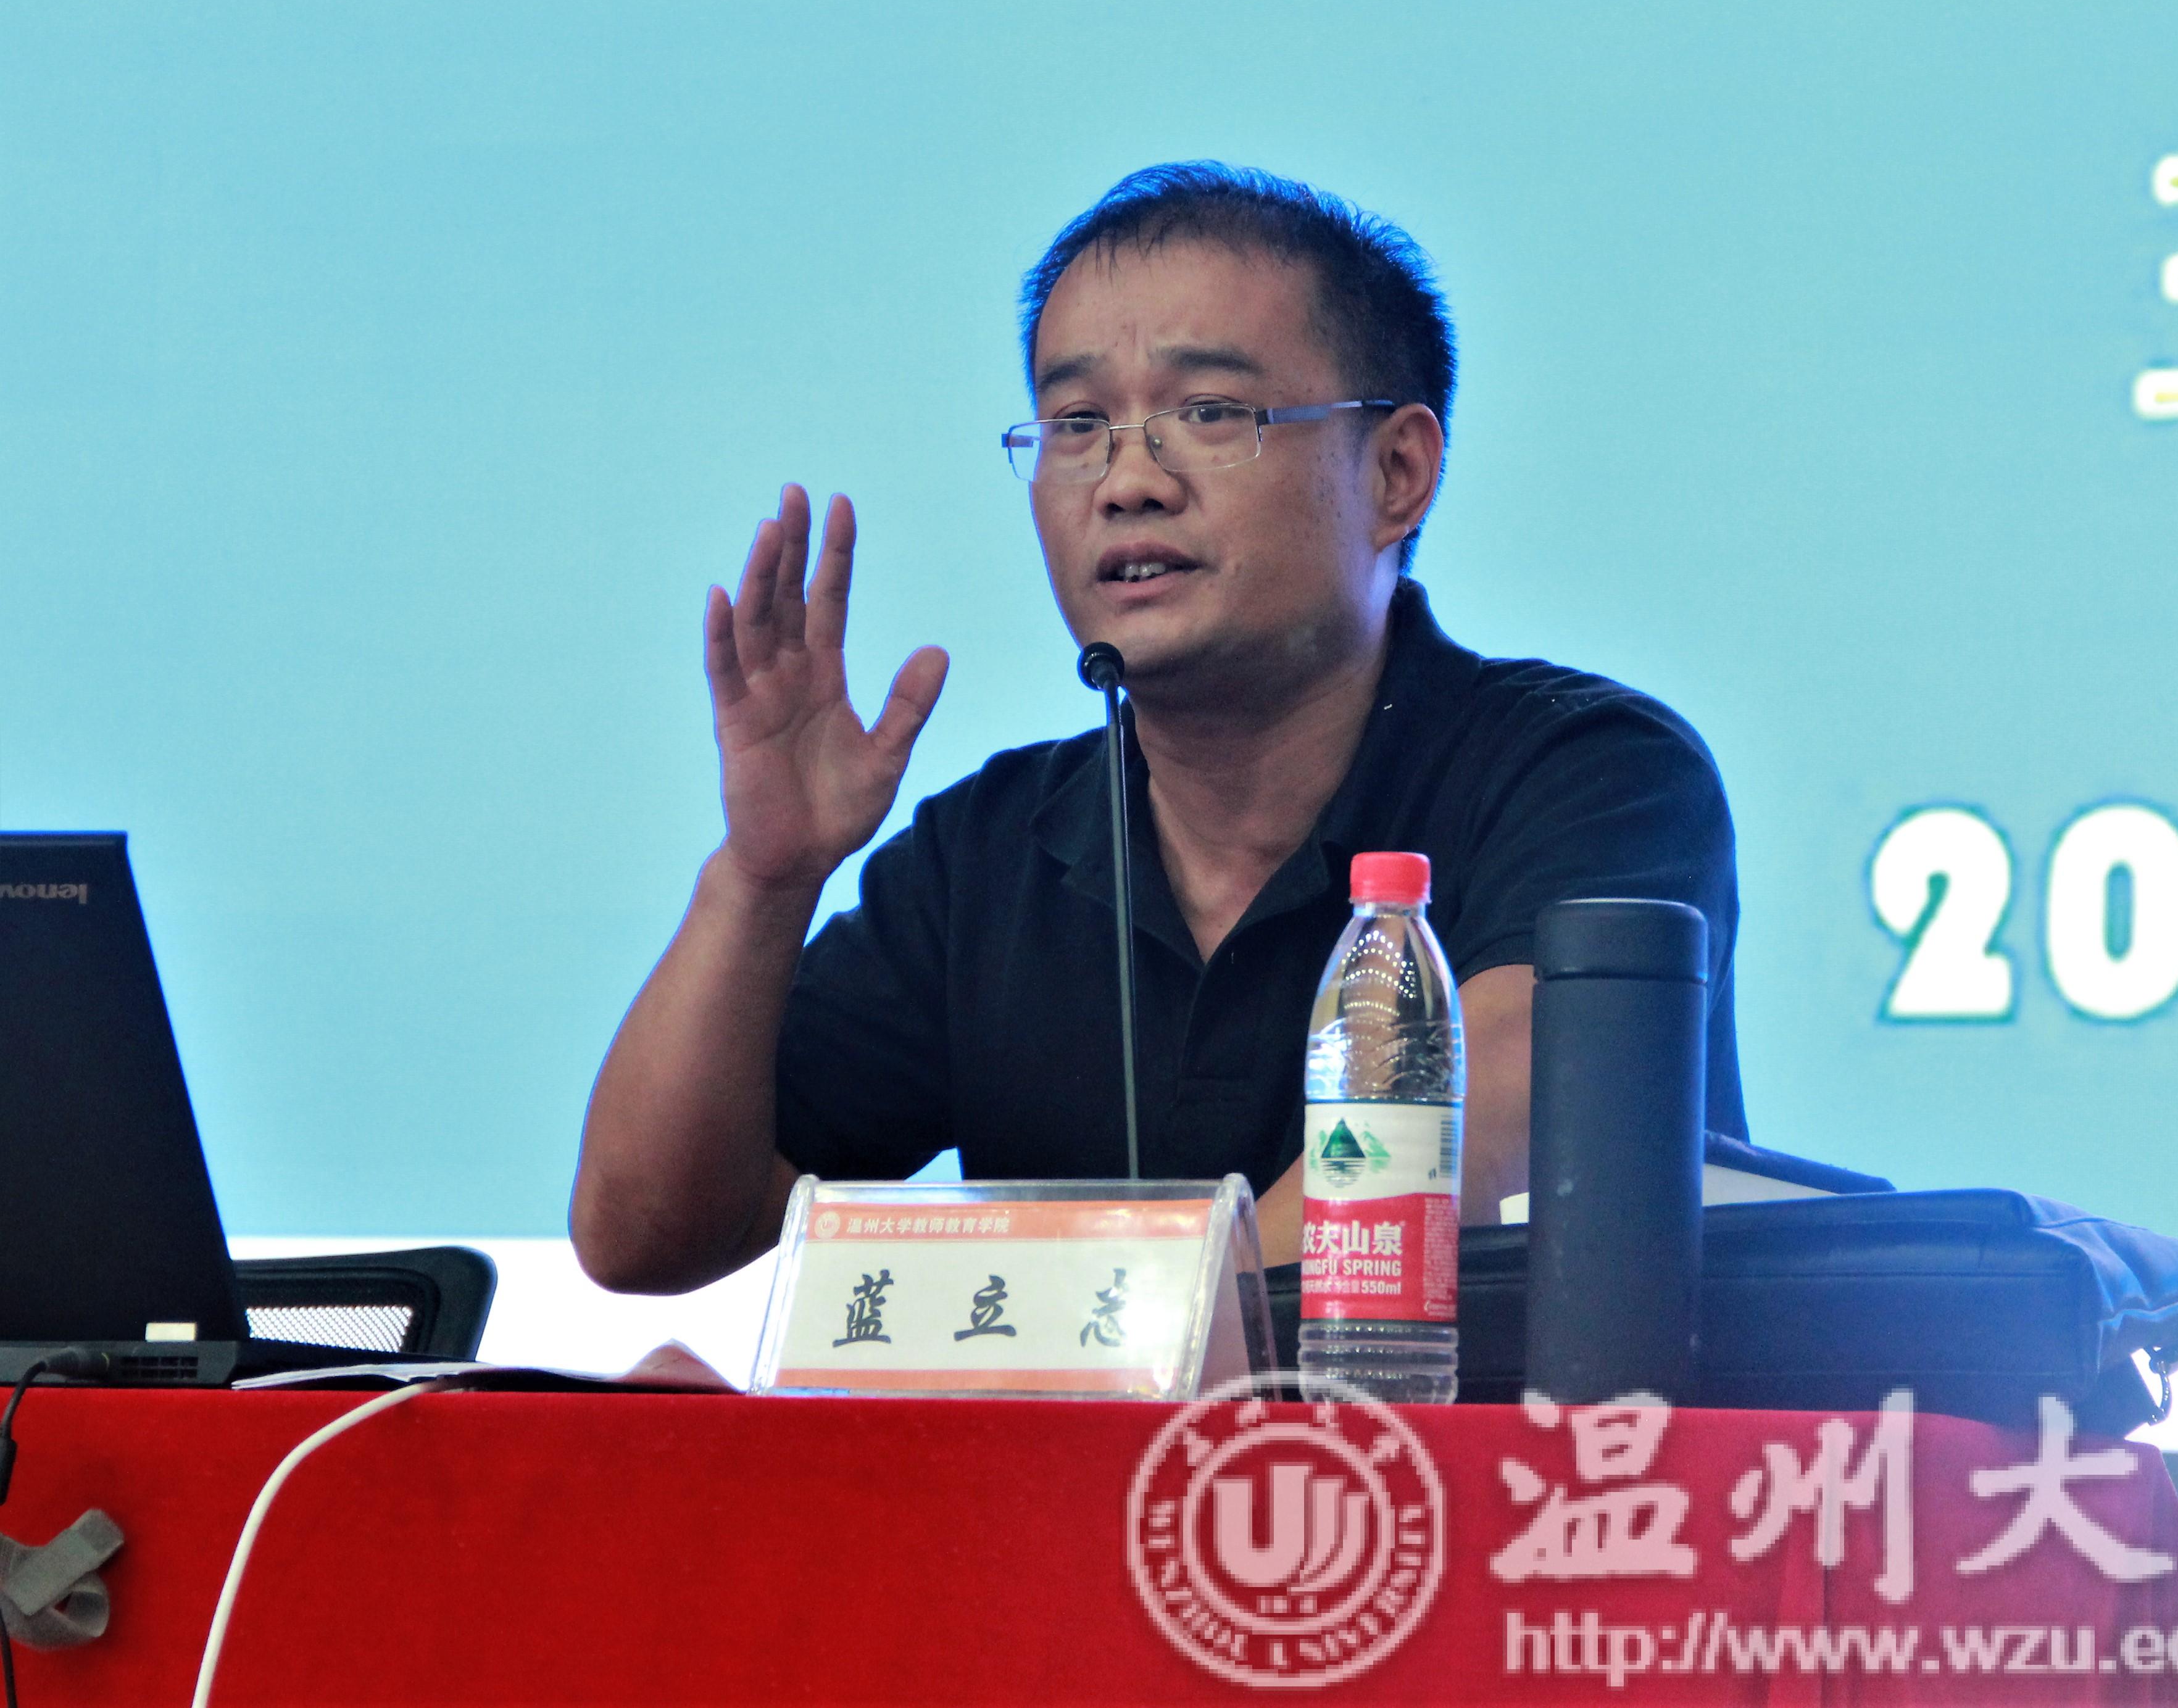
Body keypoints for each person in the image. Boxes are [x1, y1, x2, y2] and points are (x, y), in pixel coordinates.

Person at [571, 164, 1744, 1295]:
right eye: (1078, 422)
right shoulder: (989, 853)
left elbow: (1458, 1148)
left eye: (1209, 412)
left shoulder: (1593, 778)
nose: (1128, 480)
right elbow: (645, 1237)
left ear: (1397, 472)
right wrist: (763, 880)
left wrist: (1068, 1337)